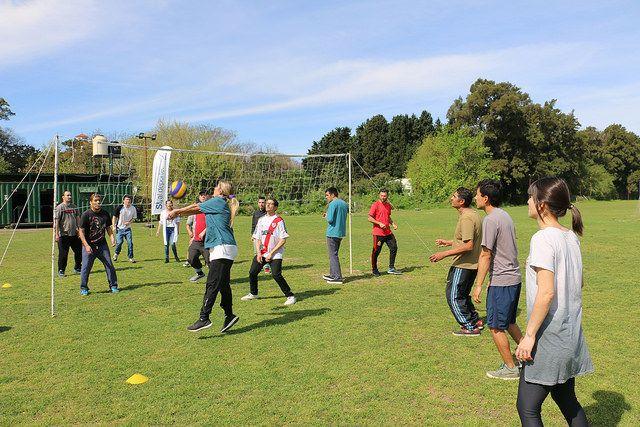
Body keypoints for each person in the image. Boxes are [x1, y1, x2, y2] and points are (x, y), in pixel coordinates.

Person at [515, 177, 593, 426]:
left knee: (527, 407)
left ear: (541, 205)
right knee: (566, 399)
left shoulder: (543, 239)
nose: (527, 201)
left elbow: (546, 292)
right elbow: (579, 283)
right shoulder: (570, 237)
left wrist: (529, 336)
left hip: (549, 337)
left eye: (530, 197)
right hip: (570, 336)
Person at [168, 181, 239, 333]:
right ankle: (229, 315)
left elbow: (196, 207)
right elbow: (195, 211)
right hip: (225, 247)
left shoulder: (218, 201)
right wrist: (177, 213)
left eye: (216, 186)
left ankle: (204, 318)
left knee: (212, 284)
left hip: (222, 247)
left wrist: (177, 211)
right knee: (223, 284)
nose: (213, 188)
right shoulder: (219, 202)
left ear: (220, 191)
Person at [472, 179, 523, 380]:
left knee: (495, 326)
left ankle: (511, 368)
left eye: (477, 195)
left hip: (502, 280)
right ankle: (531, 354)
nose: (475, 198)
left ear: (485, 198)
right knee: (509, 322)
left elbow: (485, 254)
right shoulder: (505, 215)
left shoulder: (491, 219)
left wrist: (478, 285)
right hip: (513, 278)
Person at [429, 187, 483, 336]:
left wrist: (443, 254)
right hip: (472, 264)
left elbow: (468, 245)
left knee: (453, 296)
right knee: (463, 295)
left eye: (454, 196)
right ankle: (475, 320)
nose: (451, 198)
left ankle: (469, 327)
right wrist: (448, 242)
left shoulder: (466, 218)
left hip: (463, 264)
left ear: (461, 201)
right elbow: (467, 240)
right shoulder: (473, 214)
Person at [241, 198, 296, 306]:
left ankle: (290, 296)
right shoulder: (261, 220)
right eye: (267, 203)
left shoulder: (279, 220)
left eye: (271, 204)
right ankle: (253, 293)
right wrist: (258, 253)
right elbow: (257, 237)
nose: (268, 205)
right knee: (252, 272)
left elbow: (283, 239)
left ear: (275, 207)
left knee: (276, 275)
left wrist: (272, 253)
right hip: (262, 252)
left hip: (275, 253)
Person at [77, 193, 119, 295]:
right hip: (89, 245)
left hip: (102, 245)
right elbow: (81, 232)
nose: (98, 202)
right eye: (95, 201)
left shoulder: (105, 213)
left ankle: (113, 286)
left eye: (99, 201)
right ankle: (84, 288)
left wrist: (112, 238)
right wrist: (86, 245)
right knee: (85, 267)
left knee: (109, 265)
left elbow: (108, 228)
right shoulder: (86, 215)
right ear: (90, 202)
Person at [368, 189, 402, 276]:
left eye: (385, 196)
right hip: (378, 233)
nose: (383, 197)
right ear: (379, 195)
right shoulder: (375, 205)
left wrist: (393, 224)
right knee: (376, 251)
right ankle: (374, 269)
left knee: (394, 247)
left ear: (387, 196)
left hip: (388, 232)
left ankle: (391, 268)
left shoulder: (388, 205)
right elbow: (370, 218)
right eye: (382, 195)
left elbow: (388, 217)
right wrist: (379, 223)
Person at [323, 187, 348, 284]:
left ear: (333, 195)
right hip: (340, 232)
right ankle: (332, 275)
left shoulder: (333, 204)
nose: (326, 197)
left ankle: (337, 277)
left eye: (327, 195)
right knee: (333, 254)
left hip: (332, 232)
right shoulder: (344, 203)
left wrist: (326, 216)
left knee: (333, 255)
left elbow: (330, 219)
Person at [54, 190, 82, 277]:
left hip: (74, 234)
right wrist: (56, 234)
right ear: (63, 197)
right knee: (63, 254)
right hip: (64, 235)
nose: (69, 197)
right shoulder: (60, 207)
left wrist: (80, 231)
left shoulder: (74, 207)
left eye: (70, 195)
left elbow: (78, 219)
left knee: (79, 252)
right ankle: (61, 270)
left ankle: (77, 268)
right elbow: (56, 221)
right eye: (67, 195)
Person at [186, 190, 210, 282]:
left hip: (208, 241)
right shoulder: (195, 210)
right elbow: (189, 223)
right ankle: (199, 273)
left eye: (205, 195)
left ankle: (218, 279)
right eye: (201, 195)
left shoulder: (211, 208)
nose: (203, 196)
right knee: (191, 258)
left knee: (210, 262)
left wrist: (204, 231)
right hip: (196, 240)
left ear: (207, 197)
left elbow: (213, 223)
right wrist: (192, 236)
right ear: (199, 197)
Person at [112, 195, 137, 263]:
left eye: (129, 199)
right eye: (127, 199)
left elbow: (134, 218)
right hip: (119, 229)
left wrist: (129, 222)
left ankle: (131, 257)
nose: (128, 201)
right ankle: (116, 254)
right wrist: (114, 226)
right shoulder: (120, 208)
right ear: (123, 200)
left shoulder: (133, 208)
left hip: (128, 229)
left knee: (130, 243)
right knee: (119, 242)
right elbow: (114, 217)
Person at [251, 196, 270, 273]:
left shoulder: (268, 213)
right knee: (256, 251)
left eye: (262, 202)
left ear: (265, 203)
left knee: (264, 251)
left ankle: (266, 267)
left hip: (265, 235)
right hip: (256, 235)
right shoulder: (255, 213)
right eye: (259, 202)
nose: (261, 204)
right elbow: (253, 225)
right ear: (258, 203)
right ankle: (259, 266)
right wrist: (252, 234)